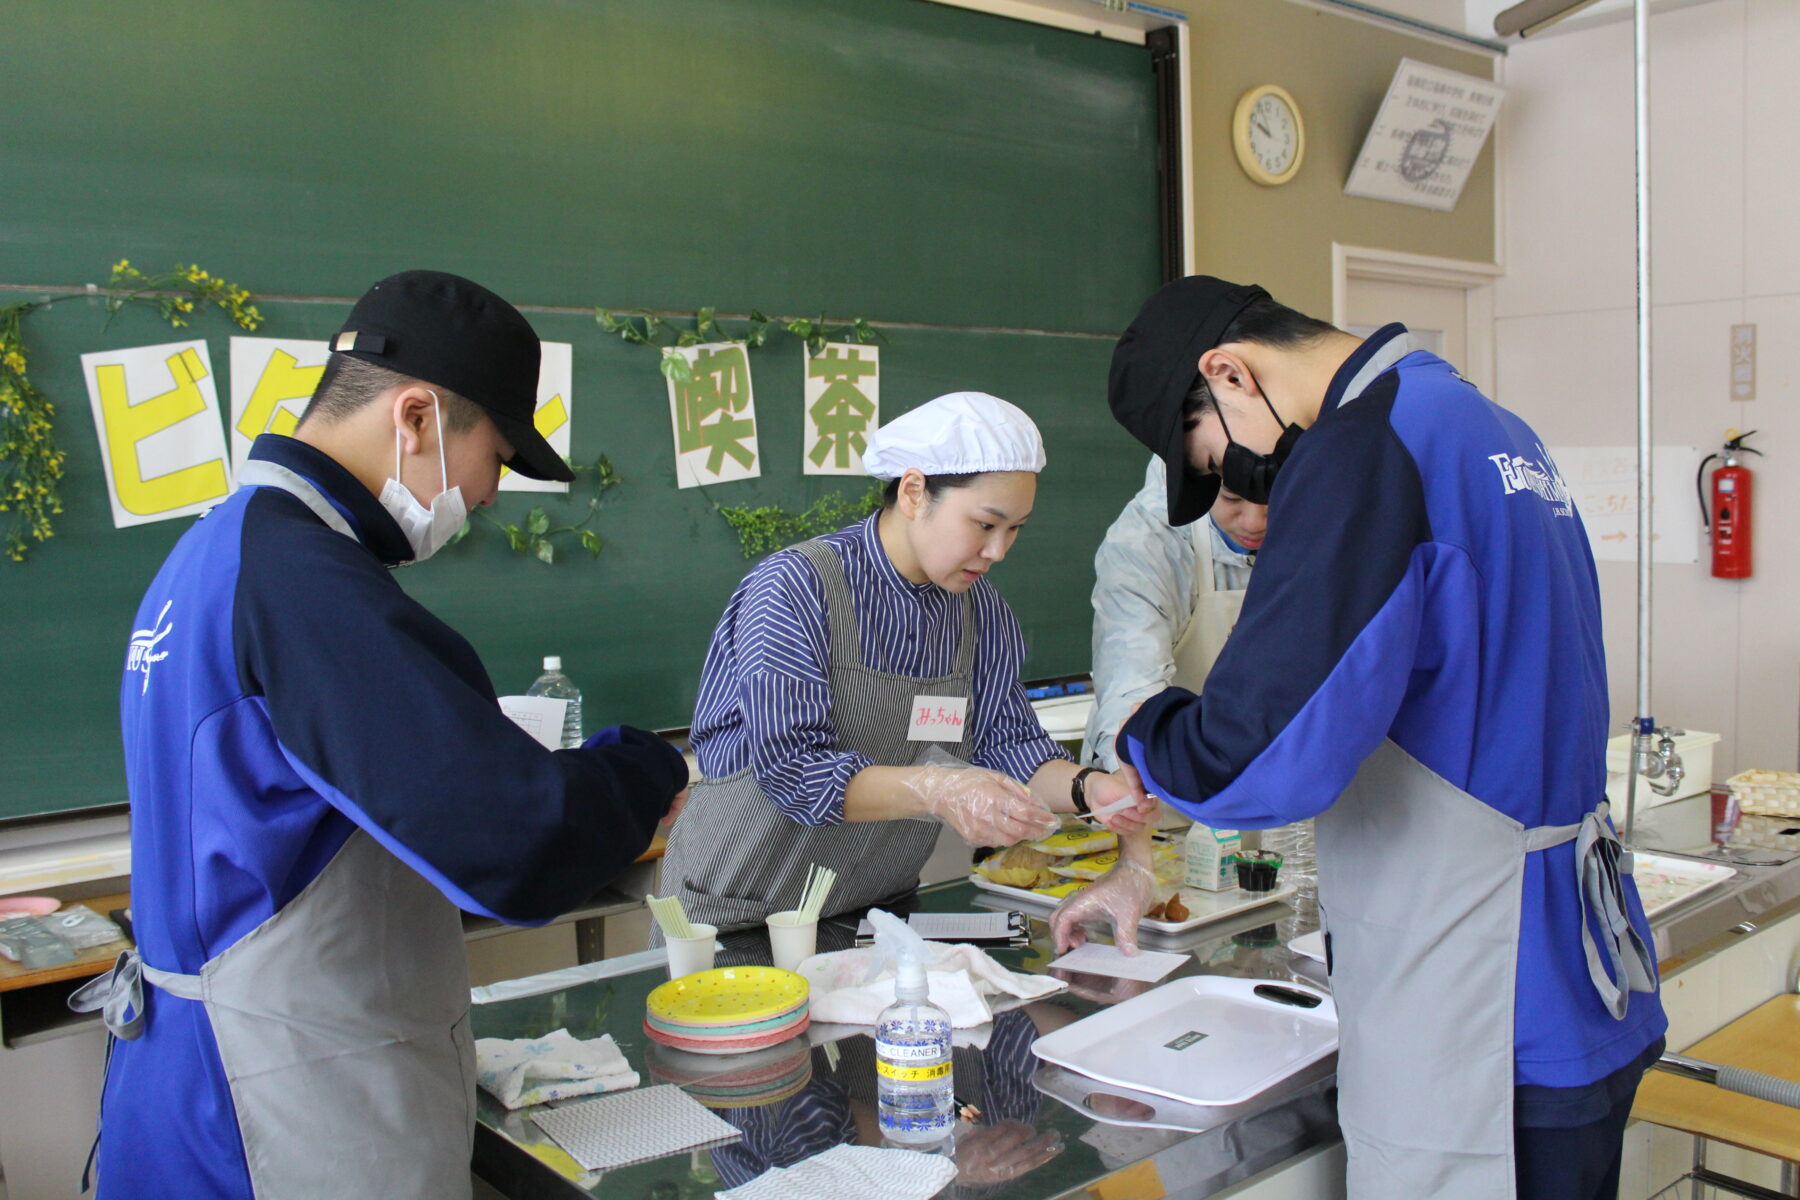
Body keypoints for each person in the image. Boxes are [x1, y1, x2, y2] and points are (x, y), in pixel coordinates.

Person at [72, 271, 689, 1200]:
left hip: (196, 1078)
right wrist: (646, 766)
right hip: (270, 1109)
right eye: (496, 457)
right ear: (416, 418)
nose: (487, 497)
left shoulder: (220, 550)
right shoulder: (302, 580)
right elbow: (514, 840)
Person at [1054, 277, 1666, 1199]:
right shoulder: (1483, 424)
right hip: (1574, 975)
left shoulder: (1363, 451)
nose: (1236, 487)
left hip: (1484, 1008)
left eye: (1216, 460)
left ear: (1228, 373)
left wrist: (1140, 728)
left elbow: (1256, 756)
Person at [664, 391, 1155, 938]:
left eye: (1015, 528)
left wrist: (1092, 789)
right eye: (985, 524)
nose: (998, 551)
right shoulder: (797, 588)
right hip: (738, 909)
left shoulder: (982, 612)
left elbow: (1007, 746)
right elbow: (793, 771)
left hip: (874, 910)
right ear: (915, 492)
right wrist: (939, 788)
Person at [1082, 455, 1264, 773]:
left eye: (1272, 498)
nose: (1253, 522)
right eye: (1231, 498)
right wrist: (1138, 773)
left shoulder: (1321, 517)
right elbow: (1131, 684)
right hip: (1166, 770)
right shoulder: (1149, 540)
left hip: (1274, 768)